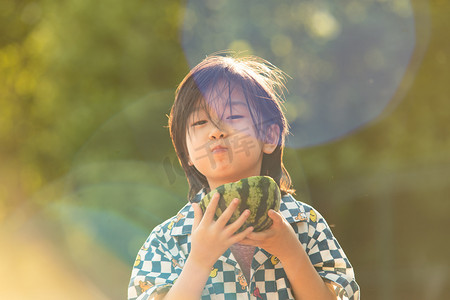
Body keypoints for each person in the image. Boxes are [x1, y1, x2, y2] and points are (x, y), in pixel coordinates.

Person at [128, 54, 360, 300]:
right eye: (200, 122)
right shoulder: (168, 240)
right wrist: (199, 261)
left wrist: (291, 252)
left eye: (233, 117)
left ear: (270, 136)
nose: (216, 131)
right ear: (185, 153)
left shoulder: (305, 224)